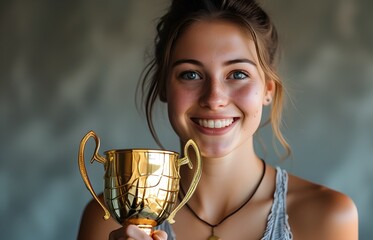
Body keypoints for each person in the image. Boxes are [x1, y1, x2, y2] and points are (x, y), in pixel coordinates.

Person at [77, 0, 358, 239]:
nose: (214, 98)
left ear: (267, 90)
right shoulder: (106, 220)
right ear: (164, 87)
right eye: (190, 74)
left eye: (237, 74)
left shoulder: (328, 217)